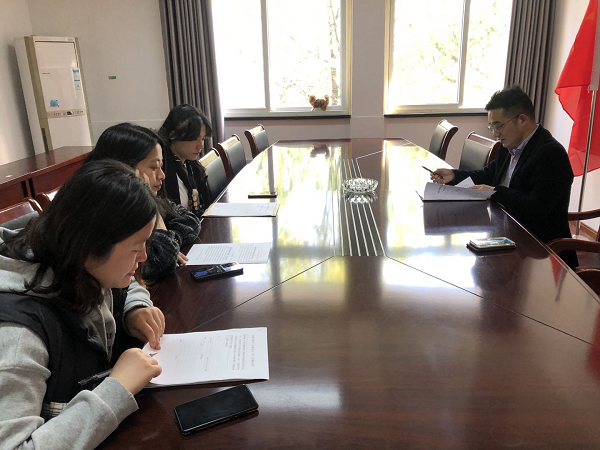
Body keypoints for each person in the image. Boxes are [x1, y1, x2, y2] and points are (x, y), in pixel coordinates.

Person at [0, 160, 165, 449]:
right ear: (89, 247)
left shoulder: (73, 261)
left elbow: (127, 280)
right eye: (136, 248)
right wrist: (116, 390)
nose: (143, 258)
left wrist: (134, 307)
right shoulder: (19, 337)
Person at [430, 85, 577, 268]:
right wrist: (454, 175)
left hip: (541, 252)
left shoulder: (550, 154)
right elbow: (488, 175)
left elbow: (538, 209)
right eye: (491, 126)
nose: (495, 133)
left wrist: (495, 192)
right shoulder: (509, 146)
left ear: (522, 119)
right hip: (508, 234)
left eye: (499, 126)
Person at [85, 123, 202, 281]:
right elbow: (163, 258)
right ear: (125, 168)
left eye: (161, 166)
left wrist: (172, 239)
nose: (162, 175)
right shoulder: (104, 211)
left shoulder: (148, 196)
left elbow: (191, 221)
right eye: (154, 167)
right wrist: (148, 201)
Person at [158, 104, 213, 217]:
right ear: (173, 135)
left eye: (203, 139)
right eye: (194, 139)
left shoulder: (191, 164)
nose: (200, 146)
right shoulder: (162, 169)